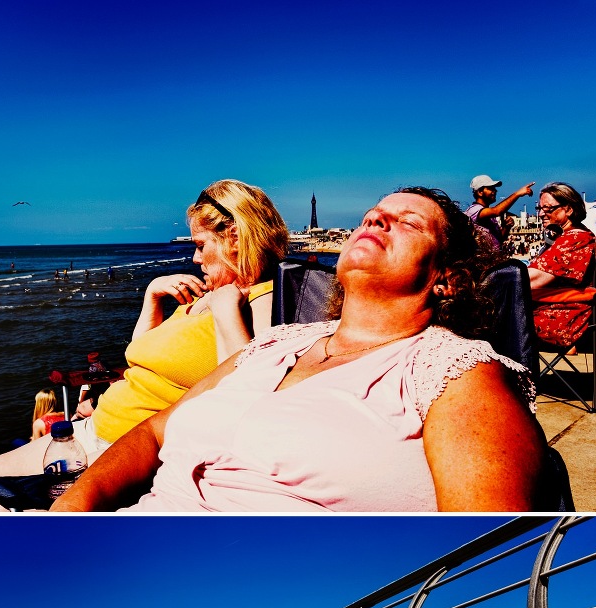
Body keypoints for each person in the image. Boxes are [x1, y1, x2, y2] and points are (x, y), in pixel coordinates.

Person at [53, 189, 549, 515]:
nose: (377, 218)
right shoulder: (277, 341)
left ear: (448, 279)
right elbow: (153, 433)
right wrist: (75, 504)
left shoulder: (454, 371)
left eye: (408, 222)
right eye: (373, 214)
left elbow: (484, 534)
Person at [93, 181, 289, 444]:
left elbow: (245, 397)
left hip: (126, 448)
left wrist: (226, 310)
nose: (196, 259)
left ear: (235, 239)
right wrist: (152, 296)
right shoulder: (207, 293)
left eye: (200, 245)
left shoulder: (263, 299)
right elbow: (138, 355)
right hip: (96, 427)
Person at [528, 185, 596, 347]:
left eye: (548, 209)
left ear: (569, 210)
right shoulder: (577, 235)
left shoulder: (573, 241)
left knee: (488, 320)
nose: (540, 213)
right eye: (539, 208)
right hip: (562, 313)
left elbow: (530, 281)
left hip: (561, 319)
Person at [466, 176, 534, 254]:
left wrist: (506, 227)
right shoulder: (474, 210)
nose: (495, 191)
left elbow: (499, 240)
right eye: (490, 188)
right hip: (482, 262)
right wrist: (517, 194)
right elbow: (497, 211)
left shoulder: (489, 215)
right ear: (480, 192)